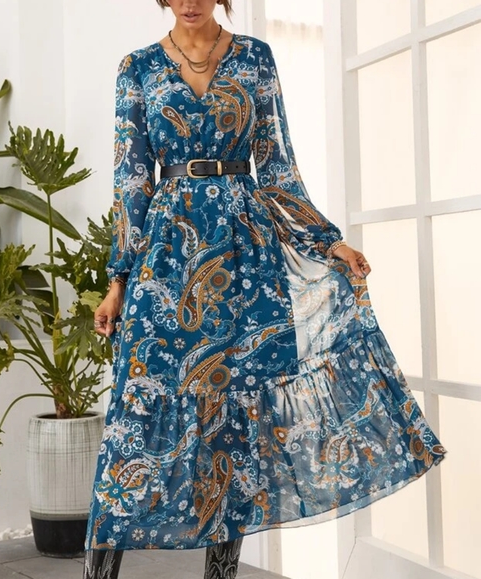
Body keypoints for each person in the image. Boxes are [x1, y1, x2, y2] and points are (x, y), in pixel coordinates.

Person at [85, 1, 446, 577]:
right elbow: (131, 182)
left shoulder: (255, 57)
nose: (189, 0)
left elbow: (276, 167)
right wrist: (117, 281)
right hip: (168, 258)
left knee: (237, 421)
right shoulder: (139, 67)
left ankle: (221, 573)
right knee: (137, 415)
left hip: (248, 256)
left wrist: (327, 242)